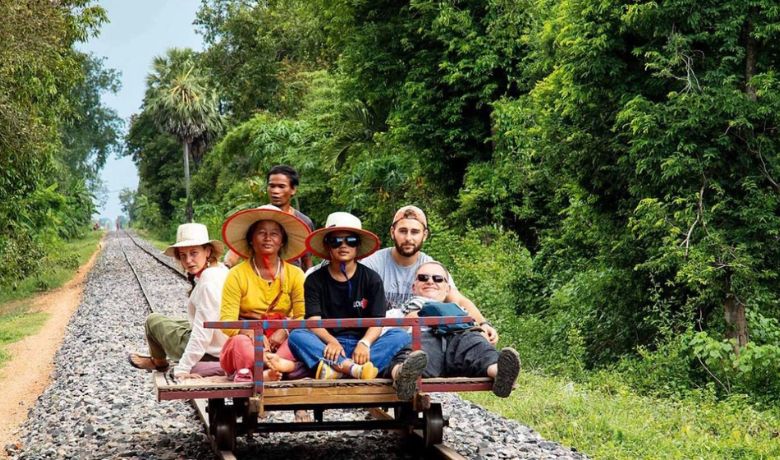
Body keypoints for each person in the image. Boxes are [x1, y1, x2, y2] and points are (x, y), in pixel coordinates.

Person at [287, 212, 426, 397]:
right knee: (297, 336)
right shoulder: (314, 279)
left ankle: (337, 370)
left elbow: (378, 321)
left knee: (399, 335)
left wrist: (365, 343)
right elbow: (313, 321)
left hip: (363, 347)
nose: (343, 246)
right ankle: (353, 370)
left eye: (350, 240)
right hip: (327, 345)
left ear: (357, 245)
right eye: (336, 241)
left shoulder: (371, 279)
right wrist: (332, 341)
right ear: (328, 245)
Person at [361, 205, 499, 345]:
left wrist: (483, 323)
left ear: (424, 235)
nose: (408, 238)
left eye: (415, 232)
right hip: (380, 337)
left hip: (423, 338)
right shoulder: (372, 265)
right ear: (392, 232)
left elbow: (458, 300)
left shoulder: (430, 267)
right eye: (403, 231)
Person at [390, 262, 521, 397]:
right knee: (412, 355)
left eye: (438, 279)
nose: (430, 281)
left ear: (447, 289)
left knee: (479, 347)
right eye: (423, 278)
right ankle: (402, 377)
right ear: (413, 287)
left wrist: (483, 330)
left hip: (458, 339)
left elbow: (476, 328)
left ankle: (501, 374)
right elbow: (386, 336)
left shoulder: (459, 310)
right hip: (426, 341)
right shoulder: (397, 312)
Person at [219, 204, 311, 382]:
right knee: (240, 344)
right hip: (248, 341)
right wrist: (251, 334)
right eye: (261, 232)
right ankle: (265, 372)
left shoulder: (295, 274)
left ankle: (266, 370)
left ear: (282, 241)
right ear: (251, 239)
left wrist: (284, 331)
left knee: (299, 341)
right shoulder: (236, 275)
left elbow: (303, 316)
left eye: (274, 233)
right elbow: (227, 322)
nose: (268, 238)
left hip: (281, 340)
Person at [128, 223, 229, 379]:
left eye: (194, 253)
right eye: (183, 255)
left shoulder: (208, 282)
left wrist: (183, 368)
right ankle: (158, 358)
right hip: (221, 340)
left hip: (212, 350)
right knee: (178, 321)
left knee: (153, 320)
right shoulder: (220, 269)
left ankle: (159, 361)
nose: (188, 260)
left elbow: (203, 332)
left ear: (207, 251)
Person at [266, 165, 315, 271]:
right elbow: (236, 251)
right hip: (261, 278)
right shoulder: (257, 217)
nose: (275, 191)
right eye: (272, 186)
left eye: (281, 186)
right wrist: (225, 266)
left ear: (293, 190)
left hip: (292, 281)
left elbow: (306, 259)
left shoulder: (304, 222)